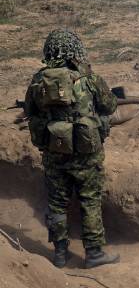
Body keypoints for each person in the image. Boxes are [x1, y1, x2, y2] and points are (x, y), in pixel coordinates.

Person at [23, 29, 120, 269]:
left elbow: (30, 111)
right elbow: (109, 106)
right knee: (89, 200)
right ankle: (94, 253)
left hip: (54, 155)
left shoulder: (38, 80)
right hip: (87, 155)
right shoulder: (89, 78)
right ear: (75, 50)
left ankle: (59, 253)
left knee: (57, 203)